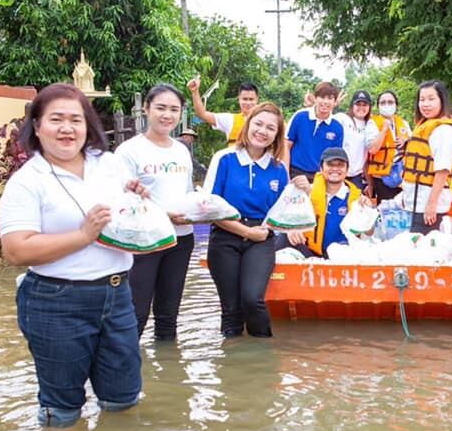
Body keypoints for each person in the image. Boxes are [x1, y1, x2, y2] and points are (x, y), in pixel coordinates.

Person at [0, 83, 146, 428]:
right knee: (62, 409)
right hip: (55, 300)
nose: (67, 128)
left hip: (118, 293)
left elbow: (129, 217)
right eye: (56, 119)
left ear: (87, 125)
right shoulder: (27, 181)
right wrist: (83, 235)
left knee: (124, 399)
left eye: (76, 120)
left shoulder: (109, 165)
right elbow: (16, 249)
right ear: (36, 126)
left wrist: (139, 201)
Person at [116, 84, 195, 342]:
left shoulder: (181, 150)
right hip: (144, 240)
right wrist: (164, 215)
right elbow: (122, 199)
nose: (167, 115)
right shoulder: (129, 151)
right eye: (160, 108)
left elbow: (186, 192)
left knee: (168, 314)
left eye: (174, 109)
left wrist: (197, 210)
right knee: (136, 312)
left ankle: (167, 375)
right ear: (146, 109)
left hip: (181, 238)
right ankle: (126, 372)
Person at [204, 102, 289, 338]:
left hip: (261, 237)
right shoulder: (224, 159)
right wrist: (244, 231)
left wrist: (299, 192)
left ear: (276, 135)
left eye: (270, 128)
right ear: (248, 124)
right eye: (258, 124)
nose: (262, 131)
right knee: (230, 309)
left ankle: (263, 361)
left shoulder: (278, 168)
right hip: (224, 235)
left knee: (253, 299)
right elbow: (210, 207)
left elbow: (282, 212)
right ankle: (232, 365)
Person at [280, 147, 373, 258]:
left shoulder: (357, 198)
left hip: (342, 256)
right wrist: (291, 229)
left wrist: (368, 212)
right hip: (310, 252)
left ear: (347, 169)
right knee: (284, 238)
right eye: (330, 164)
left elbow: (369, 232)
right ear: (321, 168)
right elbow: (285, 218)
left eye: (340, 165)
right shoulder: (308, 191)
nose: (335, 169)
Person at [401, 80, 452, 234]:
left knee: (426, 254)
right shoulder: (423, 126)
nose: (425, 104)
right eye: (422, 100)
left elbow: (442, 170)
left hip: (430, 208)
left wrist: (431, 205)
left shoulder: (444, 130)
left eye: (431, 99)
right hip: (416, 204)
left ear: (442, 101)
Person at [285, 81, 344, 181]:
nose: (325, 102)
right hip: (295, 172)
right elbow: (286, 146)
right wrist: (286, 175)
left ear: (335, 102)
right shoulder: (300, 116)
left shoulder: (337, 127)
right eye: (322, 97)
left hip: (320, 177)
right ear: (315, 98)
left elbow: (335, 158)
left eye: (330, 98)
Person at [366, 90, 411, 201]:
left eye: (390, 102)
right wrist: (384, 130)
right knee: (386, 211)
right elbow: (372, 149)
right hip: (382, 176)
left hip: (402, 174)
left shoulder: (403, 123)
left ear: (396, 105)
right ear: (378, 106)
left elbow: (415, 146)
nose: (387, 105)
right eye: (383, 102)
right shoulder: (373, 123)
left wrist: (406, 140)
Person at [330, 90, 379, 190]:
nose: (361, 108)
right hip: (337, 172)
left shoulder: (370, 126)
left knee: (354, 204)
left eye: (364, 105)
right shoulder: (342, 118)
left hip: (356, 176)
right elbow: (325, 121)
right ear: (352, 106)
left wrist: (370, 184)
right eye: (358, 104)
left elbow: (365, 157)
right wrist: (333, 106)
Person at [186, 80, 260, 146]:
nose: (248, 102)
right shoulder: (229, 119)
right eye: (245, 99)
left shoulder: (266, 121)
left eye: (251, 99)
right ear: (239, 99)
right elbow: (202, 114)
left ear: (257, 99)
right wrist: (195, 92)